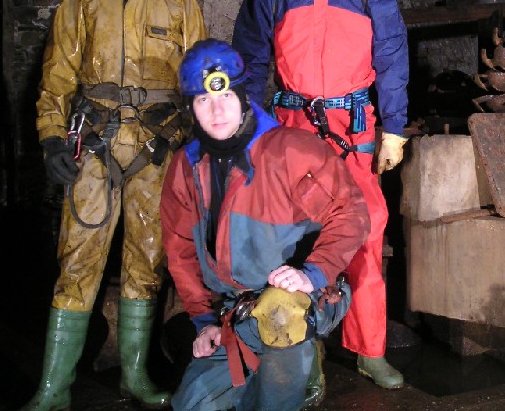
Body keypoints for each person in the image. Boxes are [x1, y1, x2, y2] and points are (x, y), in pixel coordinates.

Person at [27, 0, 207, 411]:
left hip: (157, 150)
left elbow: (198, 83)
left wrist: (198, 150)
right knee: (77, 259)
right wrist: (50, 138)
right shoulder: (82, 2)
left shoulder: (180, 5)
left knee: (146, 261)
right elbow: (57, 77)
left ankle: (135, 377)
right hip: (94, 145)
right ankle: (53, 389)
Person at [232, 0, 410, 389]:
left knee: (366, 235)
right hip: (293, 128)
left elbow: (392, 53)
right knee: (293, 242)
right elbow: (250, 58)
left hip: (353, 131)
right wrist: (255, 128)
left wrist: (394, 128)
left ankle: (368, 348)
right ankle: (301, 359)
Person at [159, 38, 370, 411]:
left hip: (301, 298)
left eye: (225, 97)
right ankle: (286, 369)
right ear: (191, 107)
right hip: (235, 309)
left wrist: (313, 272)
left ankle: (294, 369)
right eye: (203, 100)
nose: (217, 110)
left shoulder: (289, 150)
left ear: (242, 97)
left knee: (280, 312)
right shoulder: (185, 168)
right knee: (189, 407)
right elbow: (181, 251)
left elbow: (351, 213)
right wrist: (204, 320)